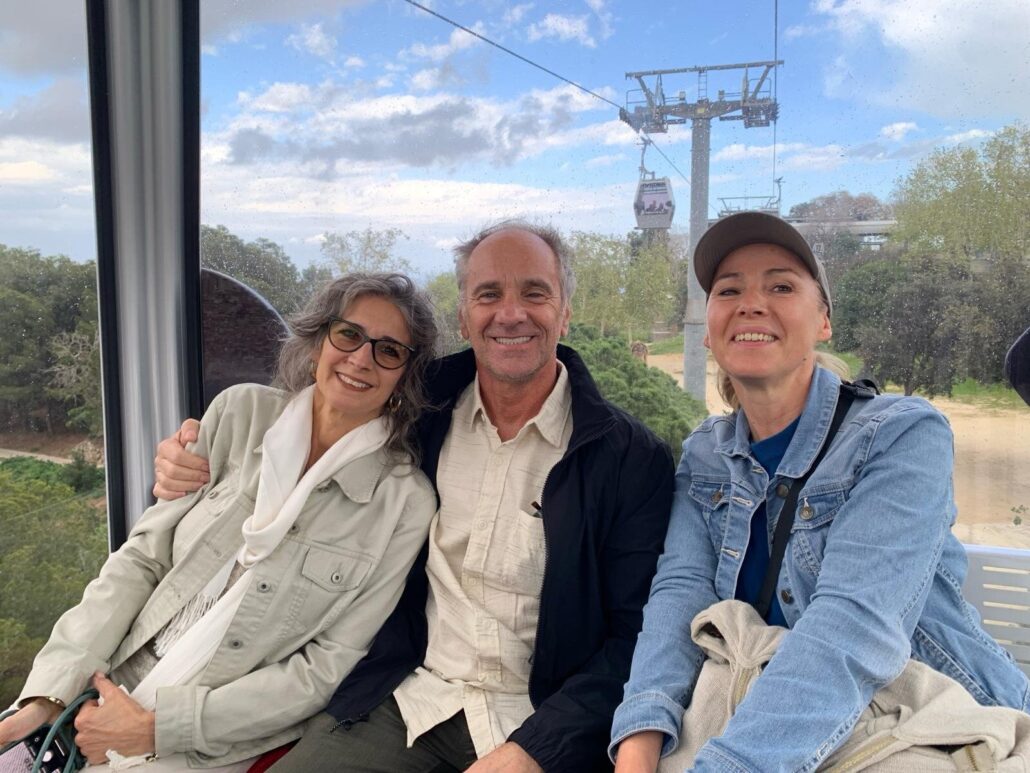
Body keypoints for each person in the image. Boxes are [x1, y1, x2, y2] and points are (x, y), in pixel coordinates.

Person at [154, 221, 675, 772]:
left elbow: (634, 636)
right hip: (405, 700)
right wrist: (196, 455)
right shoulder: (415, 411)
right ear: (463, 316)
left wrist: (535, 749)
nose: (511, 313)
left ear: (564, 311)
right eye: (488, 294)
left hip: (542, 723)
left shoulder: (629, 459)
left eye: (534, 293)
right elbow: (311, 429)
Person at [609, 211, 1030, 772]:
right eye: (728, 289)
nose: (751, 303)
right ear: (708, 329)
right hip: (761, 717)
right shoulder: (705, 453)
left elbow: (854, 626)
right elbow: (679, 596)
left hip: (921, 721)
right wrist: (638, 741)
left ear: (824, 320)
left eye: (781, 286)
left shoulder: (901, 434)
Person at [0, 273, 439, 771]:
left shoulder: (404, 504)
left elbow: (323, 668)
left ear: (405, 375)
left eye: (389, 351)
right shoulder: (238, 412)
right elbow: (141, 560)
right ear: (318, 343)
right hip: (105, 676)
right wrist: (49, 695)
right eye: (349, 335)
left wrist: (157, 729)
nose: (362, 358)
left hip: (209, 732)